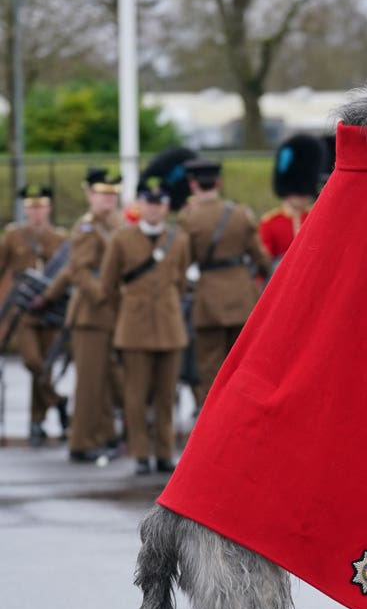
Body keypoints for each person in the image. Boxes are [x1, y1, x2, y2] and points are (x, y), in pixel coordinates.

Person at [100, 177, 190, 475]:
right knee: (135, 395)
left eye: (159, 203)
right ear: (139, 205)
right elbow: (108, 285)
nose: (154, 208)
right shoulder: (121, 239)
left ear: (166, 207)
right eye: (148, 202)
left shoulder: (179, 239)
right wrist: (127, 310)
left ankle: (164, 453)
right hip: (134, 327)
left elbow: (180, 281)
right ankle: (140, 453)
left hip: (169, 327)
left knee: (167, 396)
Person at [42, 168, 126, 462]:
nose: (108, 199)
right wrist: (102, 294)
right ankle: (81, 442)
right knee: (90, 381)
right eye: (103, 193)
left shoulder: (117, 223)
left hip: (113, 312)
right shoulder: (87, 227)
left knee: (106, 379)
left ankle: (105, 435)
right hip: (91, 313)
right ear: (90, 194)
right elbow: (78, 270)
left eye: (112, 194)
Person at [178, 158, 271, 406]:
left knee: (210, 366)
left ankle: (213, 414)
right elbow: (261, 258)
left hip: (208, 298)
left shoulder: (188, 219)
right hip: (242, 295)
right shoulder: (241, 214)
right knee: (243, 363)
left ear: (193, 185)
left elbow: (182, 263)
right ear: (218, 182)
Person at [0, 185, 69, 444]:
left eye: (40, 207)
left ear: (48, 208)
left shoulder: (59, 238)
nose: (36, 213)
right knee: (32, 361)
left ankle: (36, 421)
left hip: (52, 310)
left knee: (44, 368)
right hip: (25, 311)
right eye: (31, 208)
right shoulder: (13, 236)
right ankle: (59, 402)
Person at [258, 133, 324, 267]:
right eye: (299, 192)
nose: (304, 196)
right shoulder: (270, 223)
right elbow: (264, 264)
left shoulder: (318, 220)